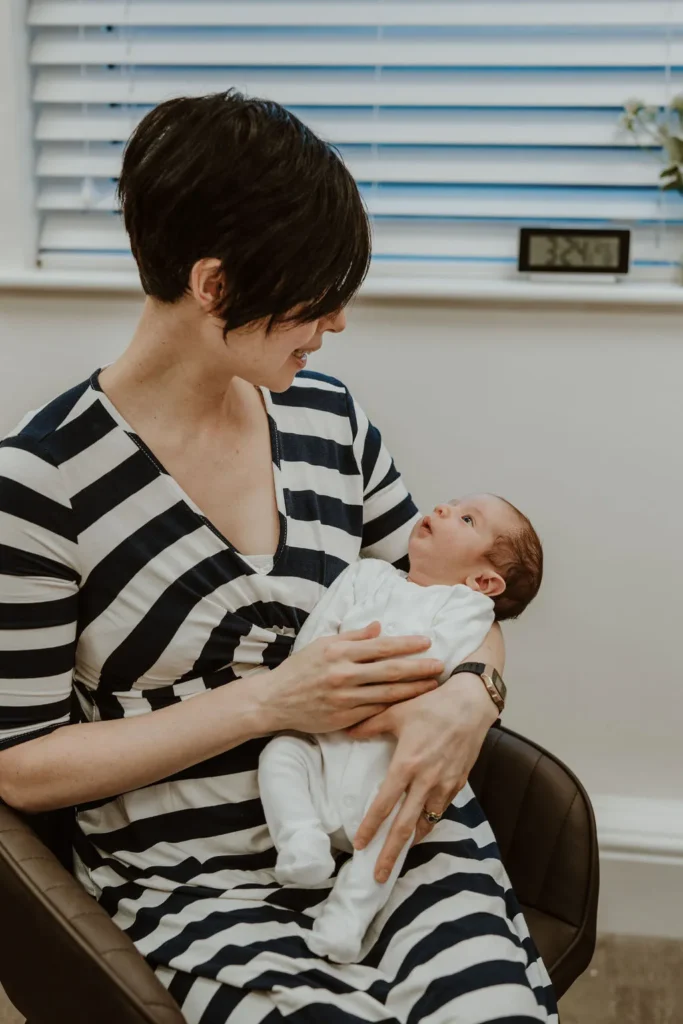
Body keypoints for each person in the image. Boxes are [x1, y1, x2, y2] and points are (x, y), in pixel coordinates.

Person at [0, 92, 557, 1023]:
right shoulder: (39, 482)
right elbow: (18, 766)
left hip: (388, 831)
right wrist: (269, 701)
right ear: (215, 286)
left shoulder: (329, 421)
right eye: (316, 295)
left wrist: (473, 695)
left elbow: (456, 604)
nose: (335, 322)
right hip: (190, 870)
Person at [259, 494, 543, 964]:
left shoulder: (465, 609)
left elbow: (440, 665)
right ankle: (301, 839)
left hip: (388, 761)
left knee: (397, 826)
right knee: (281, 756)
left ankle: (349, 915)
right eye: (452, 504)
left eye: (466, 519)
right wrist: (313, 676)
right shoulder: (366, 576)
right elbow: (317, 636)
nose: (444, 509)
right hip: (324, 740)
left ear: (483, 582)